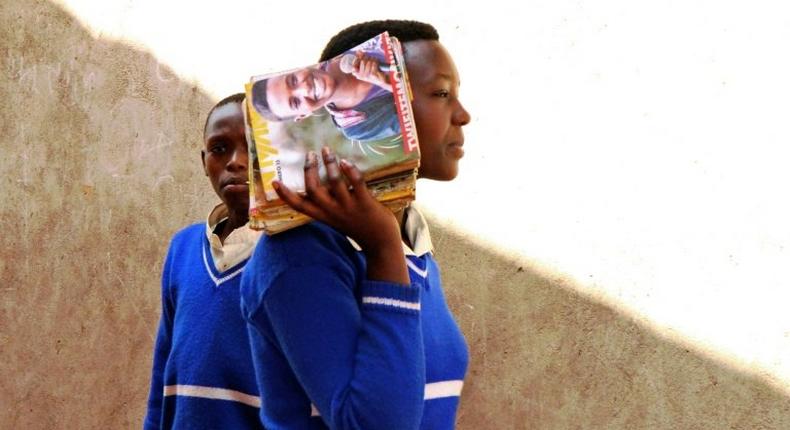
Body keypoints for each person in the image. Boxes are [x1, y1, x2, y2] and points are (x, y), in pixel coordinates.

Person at [240, 20, 472, 429]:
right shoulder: (300, 256)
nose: (463, 116)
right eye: (440, 94)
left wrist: (388, 242)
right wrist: (382, 248)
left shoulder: (411, 241)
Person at [144, 93, 265, 430]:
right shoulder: (182, 248)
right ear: (203, 161)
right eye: (219, 149)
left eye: (253, 147)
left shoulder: (291, 256)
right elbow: (163, 373)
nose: (236, 162)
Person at [250, 34, 401, 143]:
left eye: (293, 79)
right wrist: (388, 84)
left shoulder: (340, 44)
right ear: (303, 115)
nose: (305, 88)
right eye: (296, 102)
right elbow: (420, 121)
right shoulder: (358, 127)